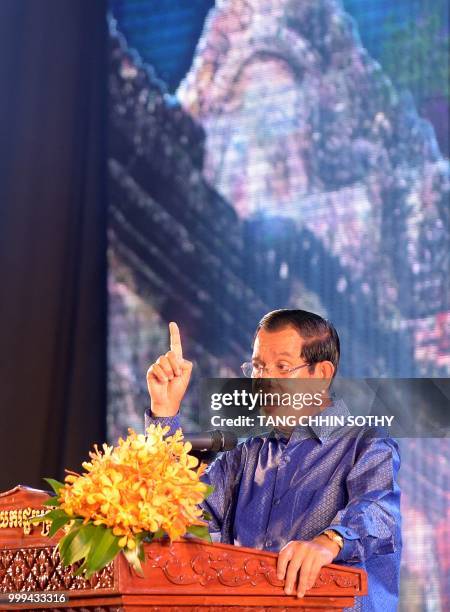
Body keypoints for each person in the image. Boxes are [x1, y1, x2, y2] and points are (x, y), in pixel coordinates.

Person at [145, 309, 401, 611]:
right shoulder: (242, 459)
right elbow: (175, 518)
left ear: (321, 374)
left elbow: (381, 513)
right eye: (257, 367)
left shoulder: (366, 444)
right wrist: (164, 410)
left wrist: (329, 542)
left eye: (281, 366)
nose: (263, 381)